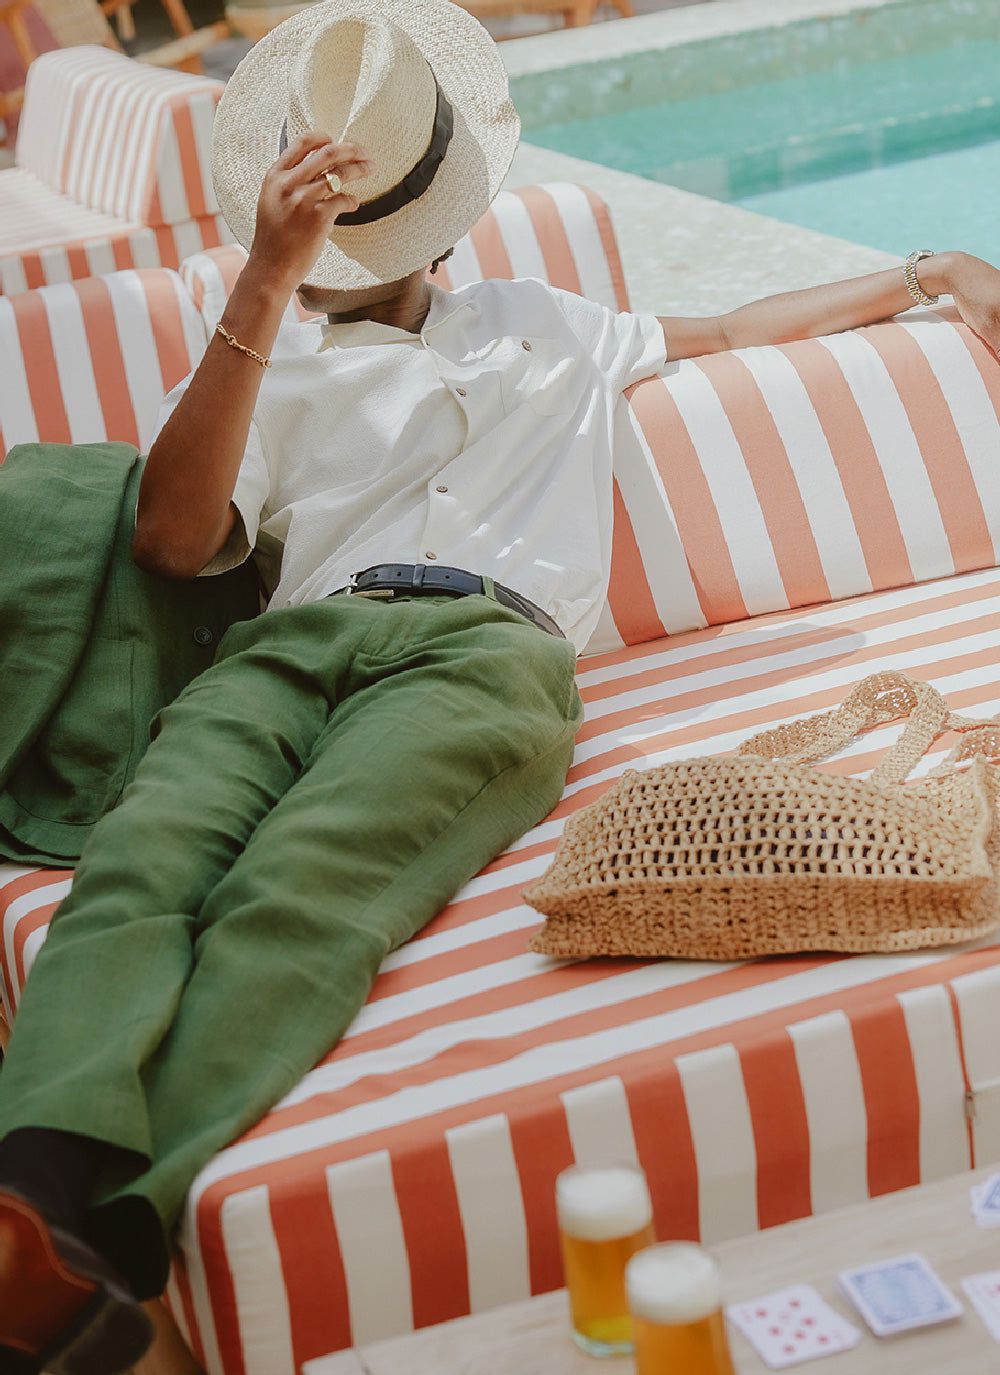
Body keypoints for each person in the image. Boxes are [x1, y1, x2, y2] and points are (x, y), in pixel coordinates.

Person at [2, 0, 1000, 1369]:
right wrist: (261, 289)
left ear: (436, 218)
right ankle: (29, 1203)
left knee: (305, 891)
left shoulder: (548, 325)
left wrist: (929, 266)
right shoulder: (264, 351)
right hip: (291, 646)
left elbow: (739, 326)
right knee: (144, 861)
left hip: (488, 655)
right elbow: (176, 538)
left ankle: (101, 1234)